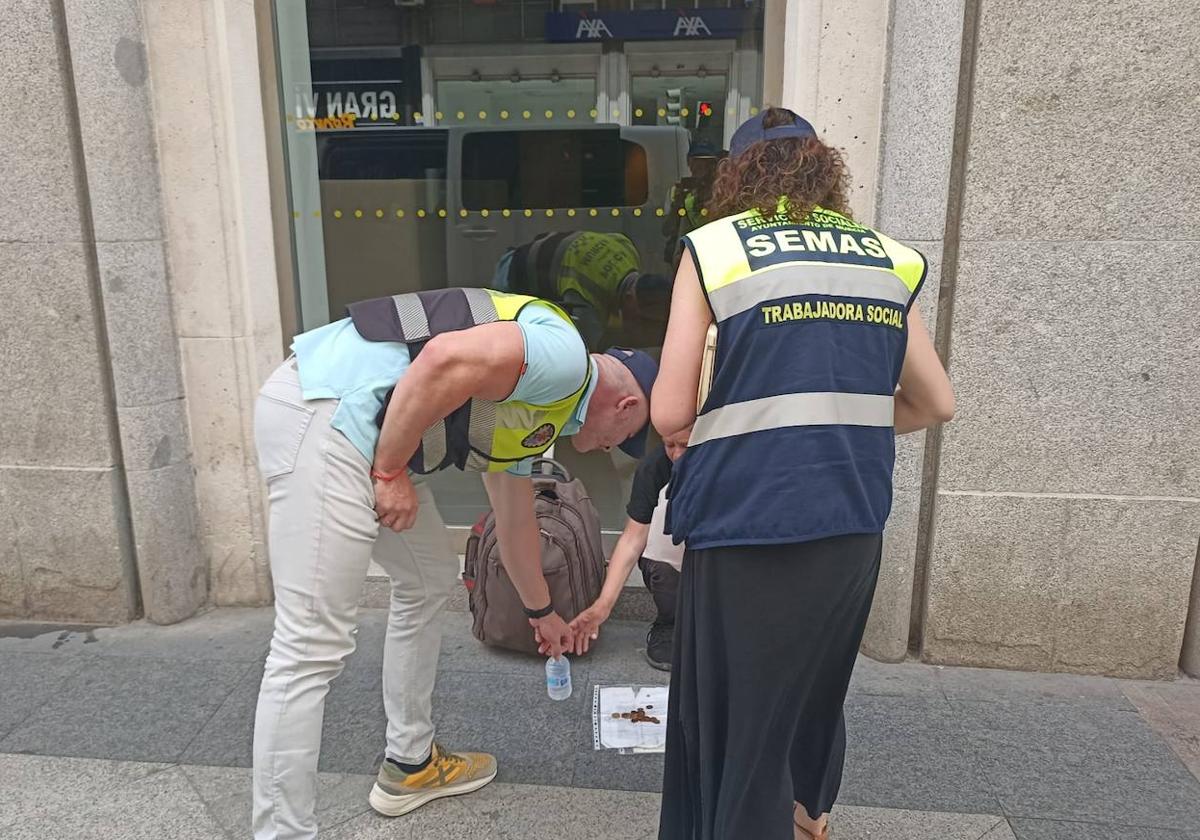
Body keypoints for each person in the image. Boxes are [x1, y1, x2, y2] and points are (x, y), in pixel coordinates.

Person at [251, 286, 657, 840]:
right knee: (310, 646)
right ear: (626, 406)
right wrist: (390, 472)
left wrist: (543, 612)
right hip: (327, 412)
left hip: (373, 431)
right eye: (625, 439)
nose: (612, 449)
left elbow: (515, 525)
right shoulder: (564, 360)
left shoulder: (547, 405)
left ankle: (410, 764)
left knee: (426, 582)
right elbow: (443, 358)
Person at [651, 109, 955, 840]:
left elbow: (667, 412)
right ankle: (809, 818)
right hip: (851, 519)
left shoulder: (716, 249)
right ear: (825, 169)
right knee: (813, 694)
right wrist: (838, 422)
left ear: (737, 171)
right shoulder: (889, 258)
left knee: (740, 719)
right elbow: (935, 401)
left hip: (745, 517)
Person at [567, 427, 691, 669]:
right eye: (669, 444)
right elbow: (632, 539)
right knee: (656, 552)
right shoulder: (655, 466)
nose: (676, 454)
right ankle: (670, 622)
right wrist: (603, 605)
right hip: (676, 554)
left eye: (685, 445)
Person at [493, 230, 672, 351]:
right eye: (638, 316)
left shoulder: (627, 251)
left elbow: (616, 237)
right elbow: (588, 351)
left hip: (532, 249)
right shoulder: (589, 290)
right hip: (513, 274)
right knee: (506, 342)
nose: (636, 321)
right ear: (629, 297)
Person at [662, 142, 723, 264]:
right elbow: (666, 229)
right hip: (685, 256)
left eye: (705, 163)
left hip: (712, 255)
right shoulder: (679, 191)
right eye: (695, 161)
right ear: (689, 164)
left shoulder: (721, 192)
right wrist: (678, 203)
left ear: (713, 165)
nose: (700, 167)